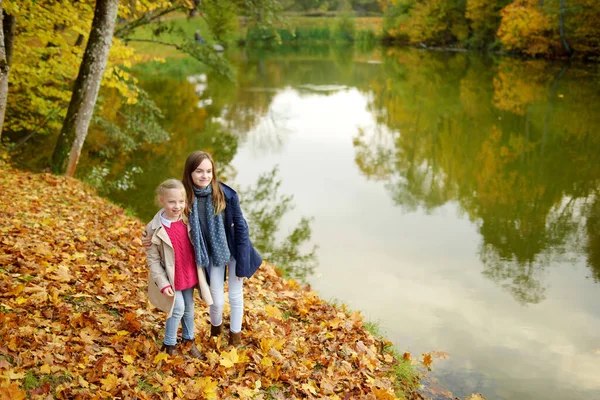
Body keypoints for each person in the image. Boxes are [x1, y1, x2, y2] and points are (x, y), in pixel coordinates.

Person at [182, 150, 262, 346]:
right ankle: (216, 331)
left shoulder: (225, 194)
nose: (205, 176)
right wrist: (150, 234)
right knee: (216, 300)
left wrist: (242, 264)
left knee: (235, 296)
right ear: (190, 173)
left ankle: (235, 337)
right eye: (199, 171)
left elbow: (241, 228)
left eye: (209, 171)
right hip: (211, 253)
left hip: (234, 250)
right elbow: (168, 215)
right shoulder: (184, 196)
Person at [144, 179, 213, 357]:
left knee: (189, 309)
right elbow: (153, 260)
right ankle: (169, 345)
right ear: (162, 201)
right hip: (171, 278)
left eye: (181, 201)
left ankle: (189, 341)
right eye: (171, 202)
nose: (177, 206)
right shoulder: (154, 228)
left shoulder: (189, 220)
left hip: (188, 274)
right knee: (178, 308)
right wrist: (163, 283)